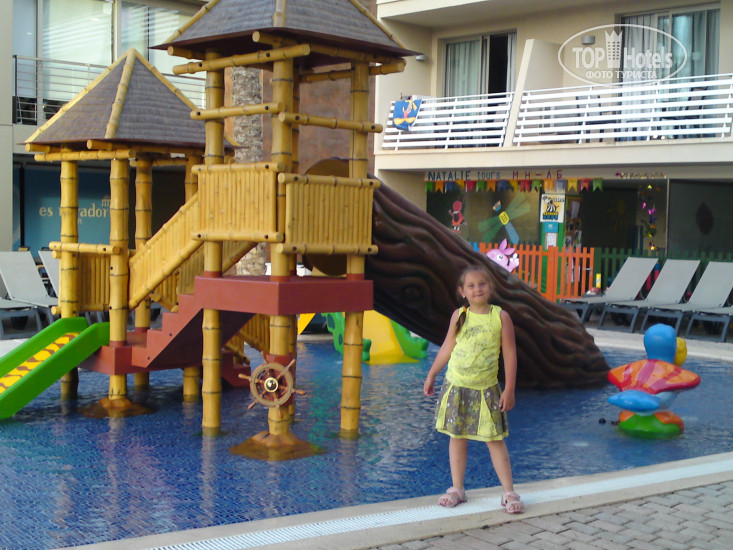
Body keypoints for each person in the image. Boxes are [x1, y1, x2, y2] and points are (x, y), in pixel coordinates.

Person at [423, 265, 523, 514]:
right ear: (462, 291)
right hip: (457, 386)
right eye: (471, 285)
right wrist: (432, 374)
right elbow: (447, 346)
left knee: (494, 439)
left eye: (482, 284)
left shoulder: (500, 317)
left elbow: (510, 354)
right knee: (457, 437)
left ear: (490, 287)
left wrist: (509, 388)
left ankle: (509, 492)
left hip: (486, 389)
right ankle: (457, 489)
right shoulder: (459, 315)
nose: (477, 289)